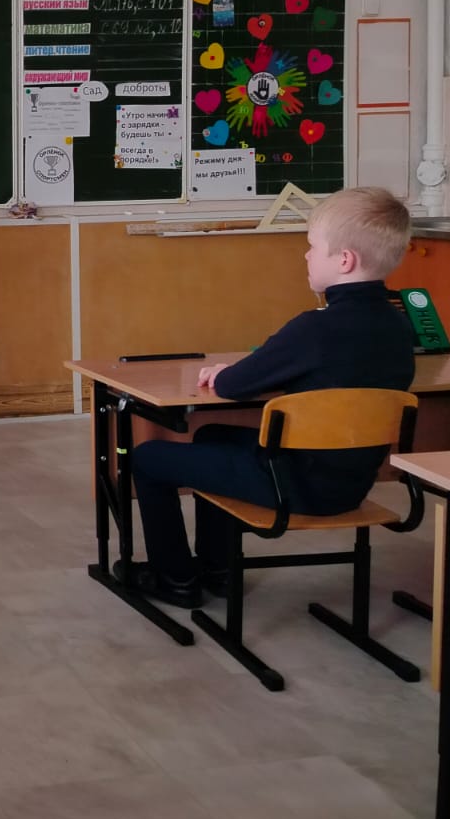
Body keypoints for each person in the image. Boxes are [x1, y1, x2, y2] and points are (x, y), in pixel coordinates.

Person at [124, 187, 416, 609]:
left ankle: (175, 579)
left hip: (292, 485)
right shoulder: (399, 327)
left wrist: (224, 373)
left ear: (344, 260)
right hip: (351, 483)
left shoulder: (313, 328)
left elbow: (231, 386)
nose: (306, 255)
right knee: (213, 435)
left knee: (149, 457)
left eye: (312, 246)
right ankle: (219, 570)